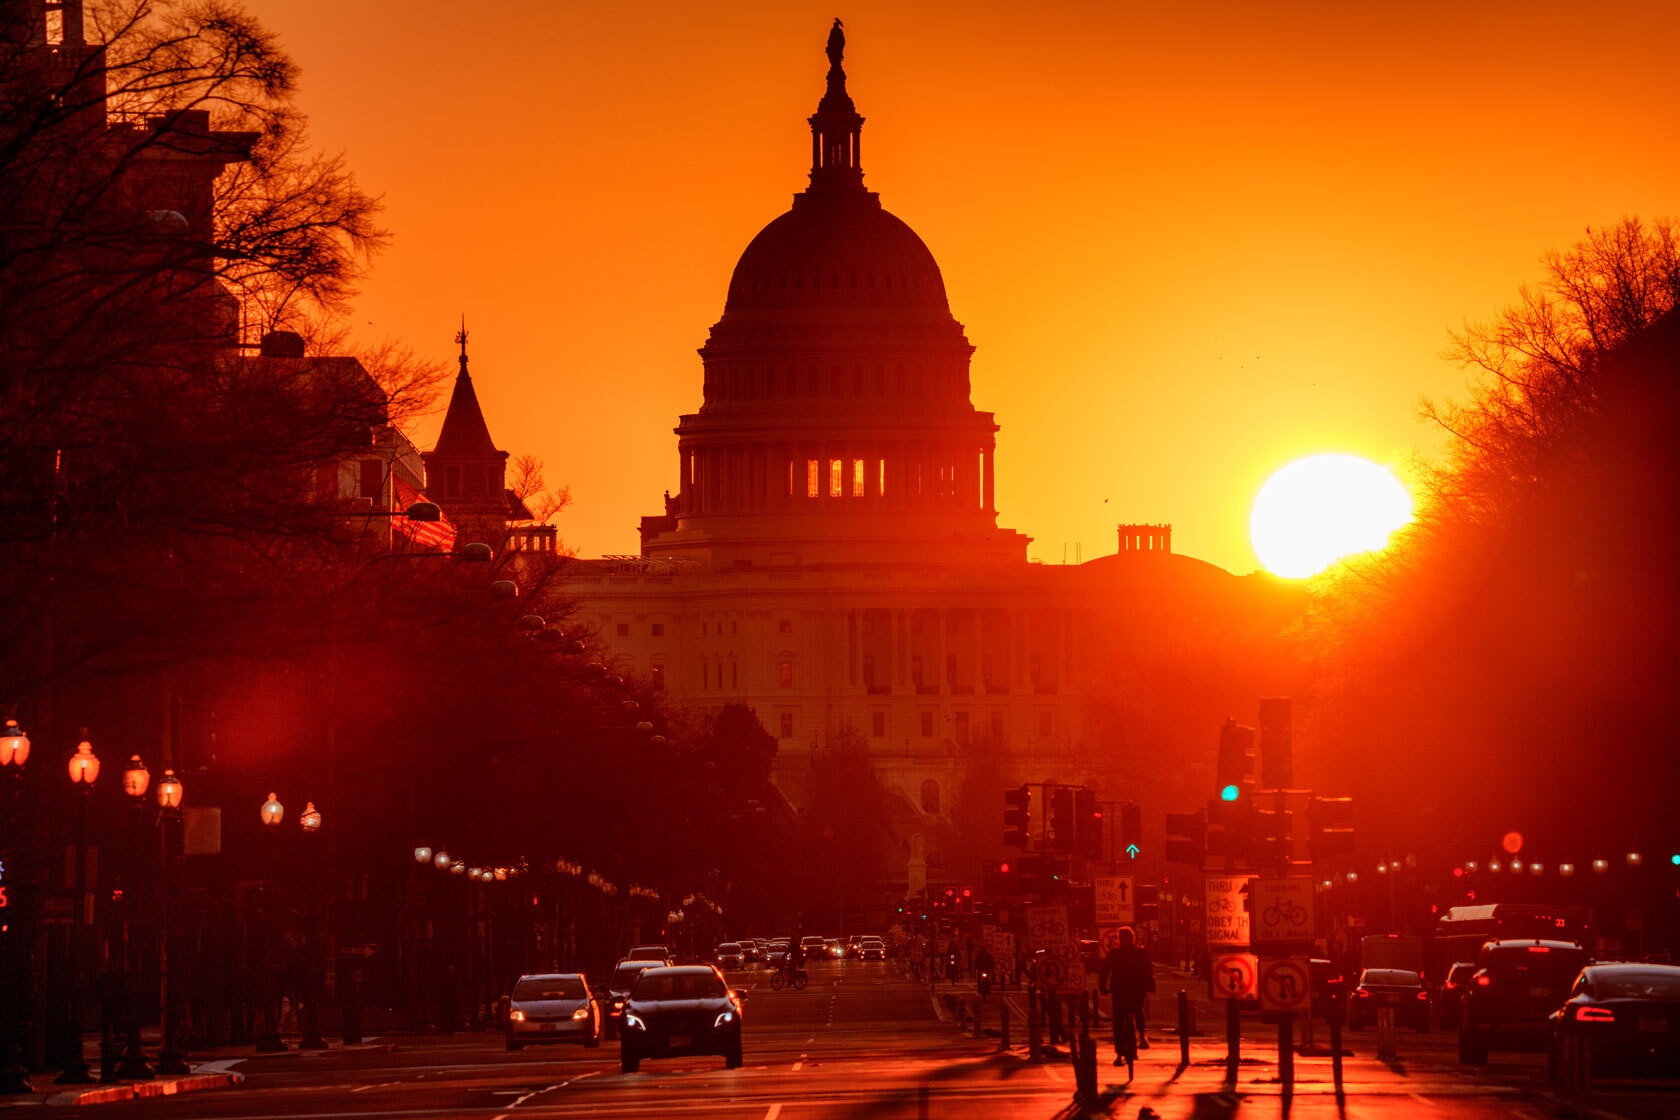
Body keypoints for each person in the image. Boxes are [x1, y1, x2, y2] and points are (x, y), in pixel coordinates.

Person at [1098, 926, 1155, 1065]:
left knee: (1119, 1021)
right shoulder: (1140, 953)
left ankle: (1119, 1054)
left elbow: (1104, 972)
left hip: (1121, 989)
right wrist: (1151, 986)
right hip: (1135, 988)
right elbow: (1148, 970)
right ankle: (1141, 1037)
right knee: (1137, 1011)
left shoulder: (1114, 954)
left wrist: (1103, 987)